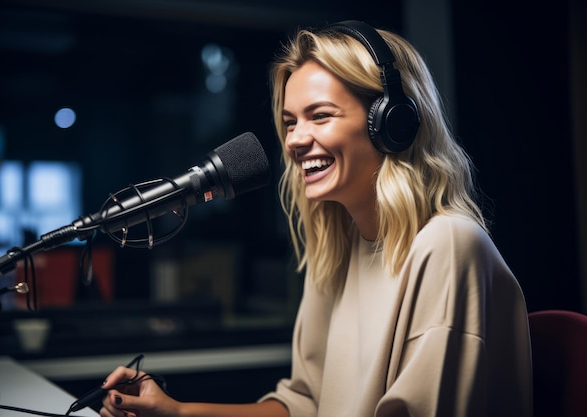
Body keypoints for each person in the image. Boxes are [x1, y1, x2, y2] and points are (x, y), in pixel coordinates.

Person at [98, 20, 533, 417]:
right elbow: (304, 404)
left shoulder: (448, 245)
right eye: (290, 122)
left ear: (392, 122)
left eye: (320, 116)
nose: (295, 140)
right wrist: (175, 412)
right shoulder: (339, 250)